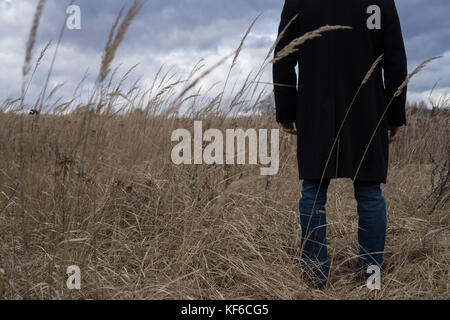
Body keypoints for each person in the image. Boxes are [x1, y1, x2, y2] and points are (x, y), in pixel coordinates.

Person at [273, 0, 407, 288]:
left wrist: (286, 110)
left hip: (314, 109)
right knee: (369, 192)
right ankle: (371, 278)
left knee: (313, 190)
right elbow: (395, 60)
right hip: (368, 110)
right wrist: (394, 113)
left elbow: (283, 58)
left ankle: (314, 277)